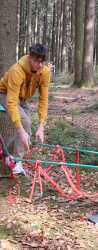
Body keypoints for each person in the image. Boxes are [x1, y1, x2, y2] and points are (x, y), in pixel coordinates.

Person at [0, 44, 51, 174]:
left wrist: (41, 126)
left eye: (42, 61)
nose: (39, 65)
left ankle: (7, 155)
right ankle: (16, 162)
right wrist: (20, 128)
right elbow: (11, 102)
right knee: (25, 124)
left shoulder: (44, 72)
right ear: (29, 57)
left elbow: (43, 100)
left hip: (22, 98)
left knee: (24, 131)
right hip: (4, 94)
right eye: (36, 61)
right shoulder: (16, 70)